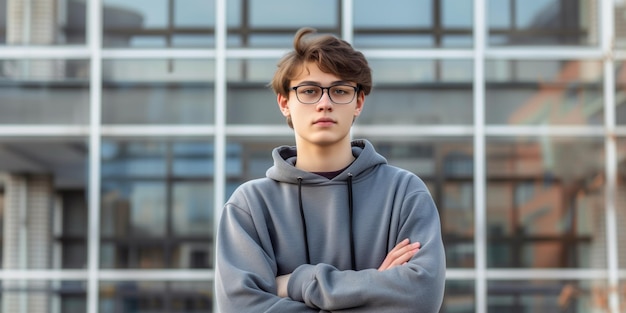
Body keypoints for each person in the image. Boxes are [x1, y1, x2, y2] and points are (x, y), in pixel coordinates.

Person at [215, 27, 446, 312]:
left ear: (358, 102)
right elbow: (241, 307)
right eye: (309, 91)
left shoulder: (404, 193)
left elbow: (421, 299)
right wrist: (377, 285)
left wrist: (296, 283)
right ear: (285, 103)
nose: (324, 104)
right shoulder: (250, 206)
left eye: (339, 91)